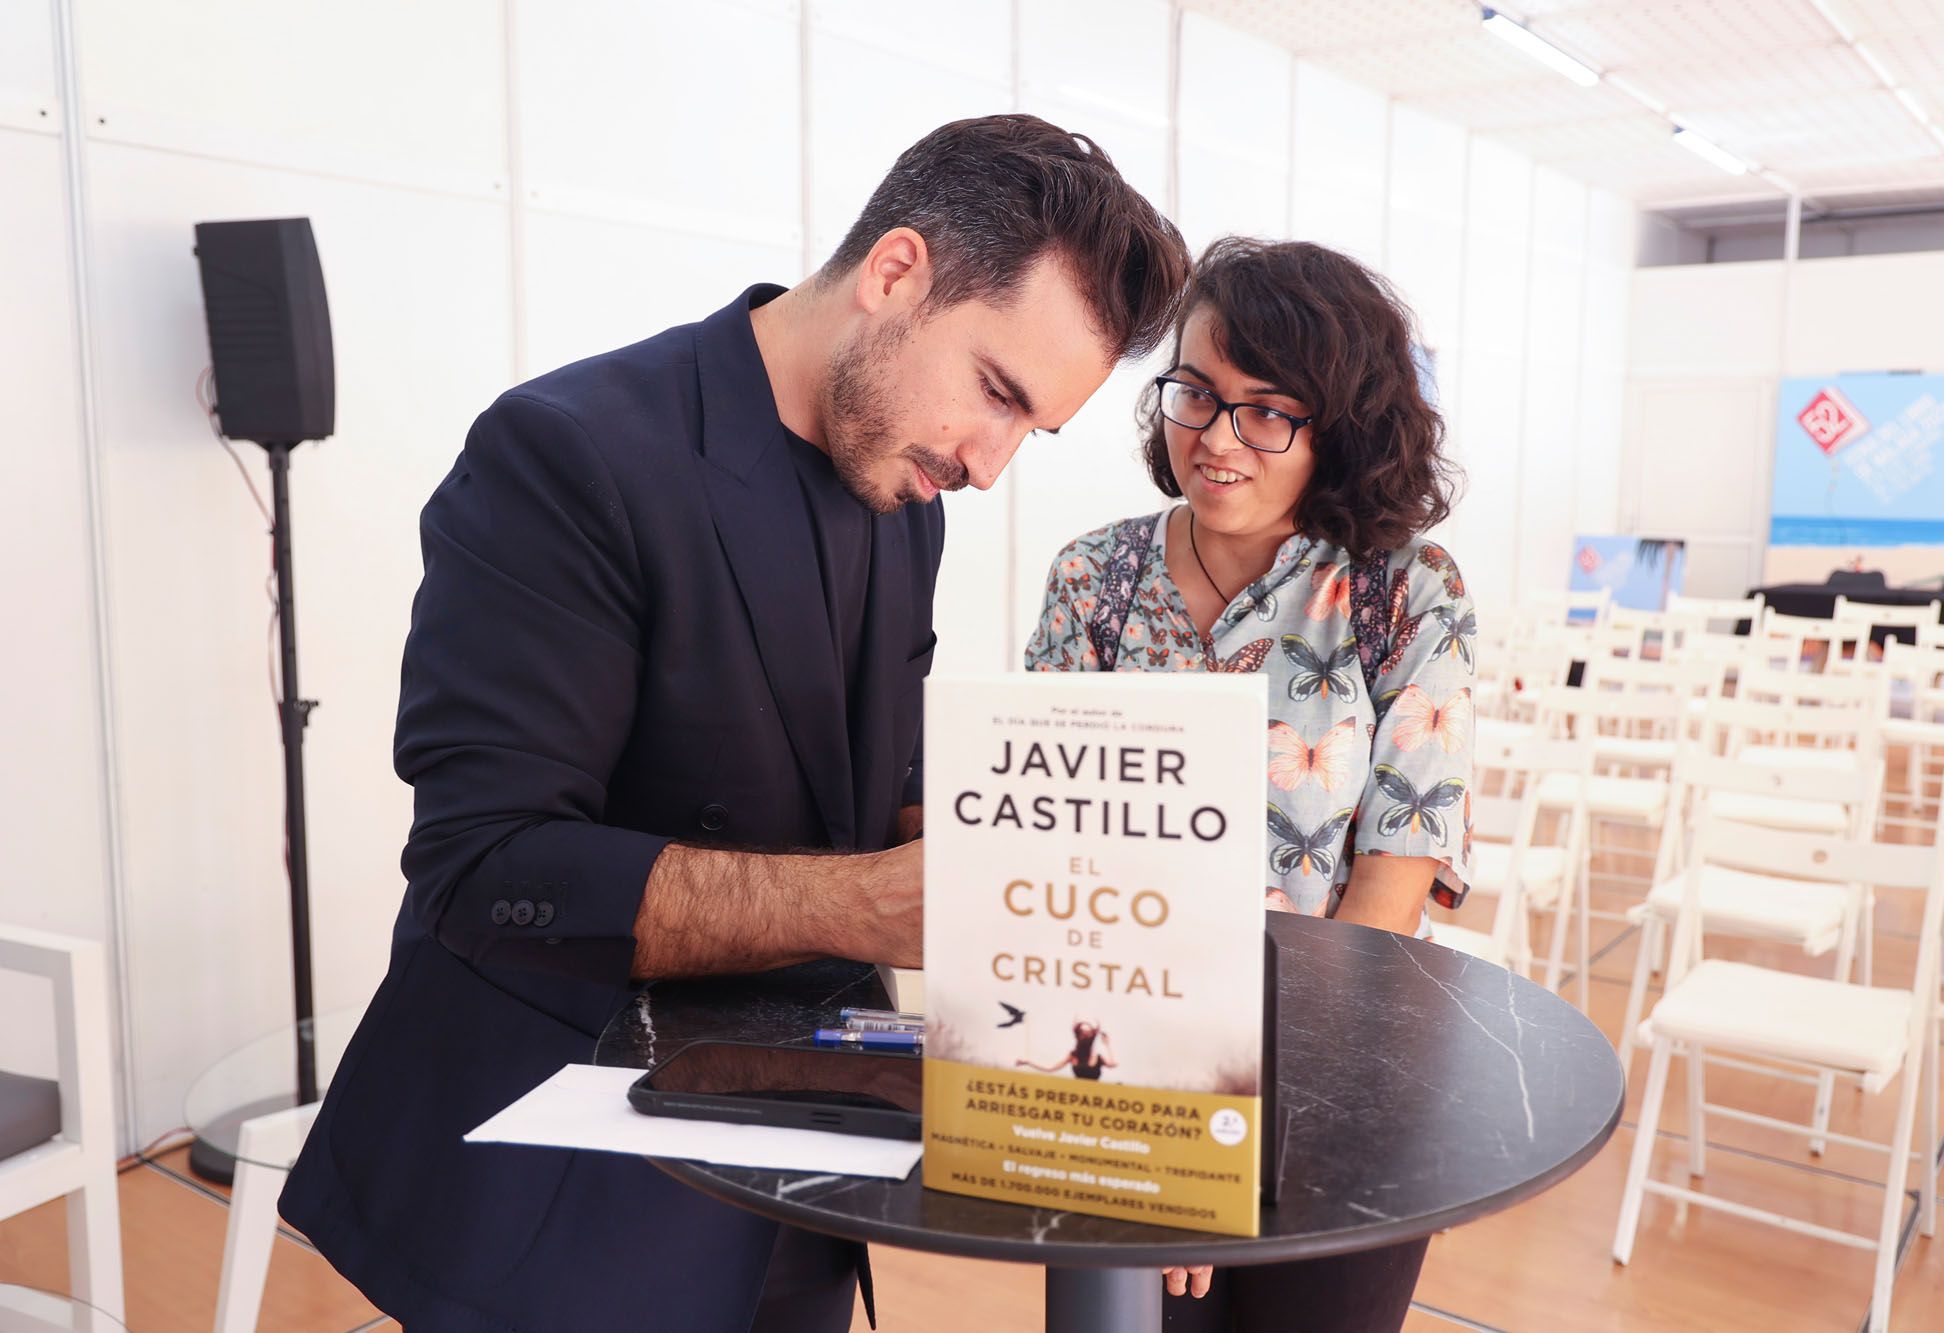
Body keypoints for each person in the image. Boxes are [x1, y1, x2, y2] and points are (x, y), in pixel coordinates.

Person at [277, 115, 1190, 1333]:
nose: (989, 464)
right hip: (566, 1180)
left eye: (1033, 429)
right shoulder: (567, 452)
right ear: (895, 271)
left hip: (798, 1152)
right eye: (995, 395)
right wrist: (878, 901)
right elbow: (488, 873)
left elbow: (876, 767)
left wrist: (1073, 870)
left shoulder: (900, 487)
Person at [1025, 237, 1473, 1333]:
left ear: (1342, 425)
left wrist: (1241, 1121)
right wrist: (1168, 1120)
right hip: (1116, 1074)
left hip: (1338, 1080)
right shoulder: (1093, 577)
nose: (1216, 440)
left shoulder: (1403, 591)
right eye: (1195, 394)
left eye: (1267, 410)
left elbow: (1389, 885)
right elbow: (1048, 856)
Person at [1016, 1021, 1117, 1079]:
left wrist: (1107, 1045)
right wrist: (1028, 1062)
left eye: (1088, 1032)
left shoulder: (1097, 1057)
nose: (1085, 1035)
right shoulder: (1073, 1056)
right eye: (1083, 1032)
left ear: (1092, 1036)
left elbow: (1113, 1064)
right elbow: (1050, 1068)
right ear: (1078, 1035)